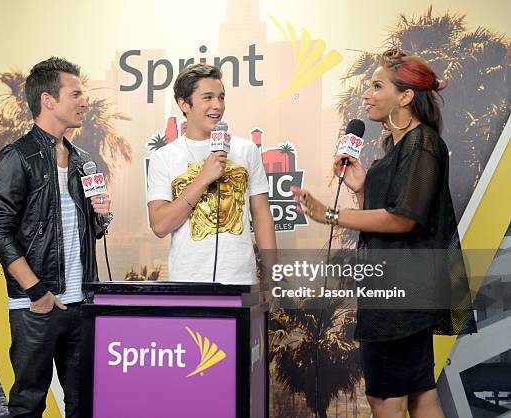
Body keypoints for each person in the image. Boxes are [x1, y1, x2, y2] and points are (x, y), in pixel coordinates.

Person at [294, 49, 476, 418]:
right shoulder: (398, 146)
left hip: (402, 297)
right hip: (398, 290)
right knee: (420, 394)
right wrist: (362, 189)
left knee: (387, 400)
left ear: (406, 96)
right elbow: (390, 219)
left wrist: (331, 214)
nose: (367, 94)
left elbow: (404, 220)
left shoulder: (421, 142)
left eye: (378, 86)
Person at [0, 57, 111, 417]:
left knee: (84, 403)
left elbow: (90, 229)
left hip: (82, 304)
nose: (83, 101)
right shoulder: (17, 157)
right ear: (48, 100)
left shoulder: (83, 160)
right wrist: (36, 291)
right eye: (76, 93)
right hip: (37, 306)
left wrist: (102, 216)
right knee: (28, 404)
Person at [147, 63, 276, 283]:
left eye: (221, 97)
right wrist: (203, 178)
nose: (217, 105)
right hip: (187, 283)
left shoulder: (246, 150)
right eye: (207, 98)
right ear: (184, 104)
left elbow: (262, 218)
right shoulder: (164, 157)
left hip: (241, 281)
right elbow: (159, 225)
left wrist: (272, 275)